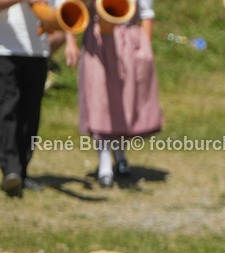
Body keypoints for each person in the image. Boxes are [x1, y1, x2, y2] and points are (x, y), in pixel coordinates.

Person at [65, 0, 163, 189]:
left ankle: (120, 155)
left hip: (130, 42)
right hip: (98, 41)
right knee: (99, 99)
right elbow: (74, 6)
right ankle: (104, 163)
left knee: (124, 101)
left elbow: (146, 14)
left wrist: (145, 51)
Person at [0, 0, 53, 197]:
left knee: (31, 114)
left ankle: (22, 170)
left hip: (38, 50)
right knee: (8, 109)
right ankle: (10, 168)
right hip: (6, 49)